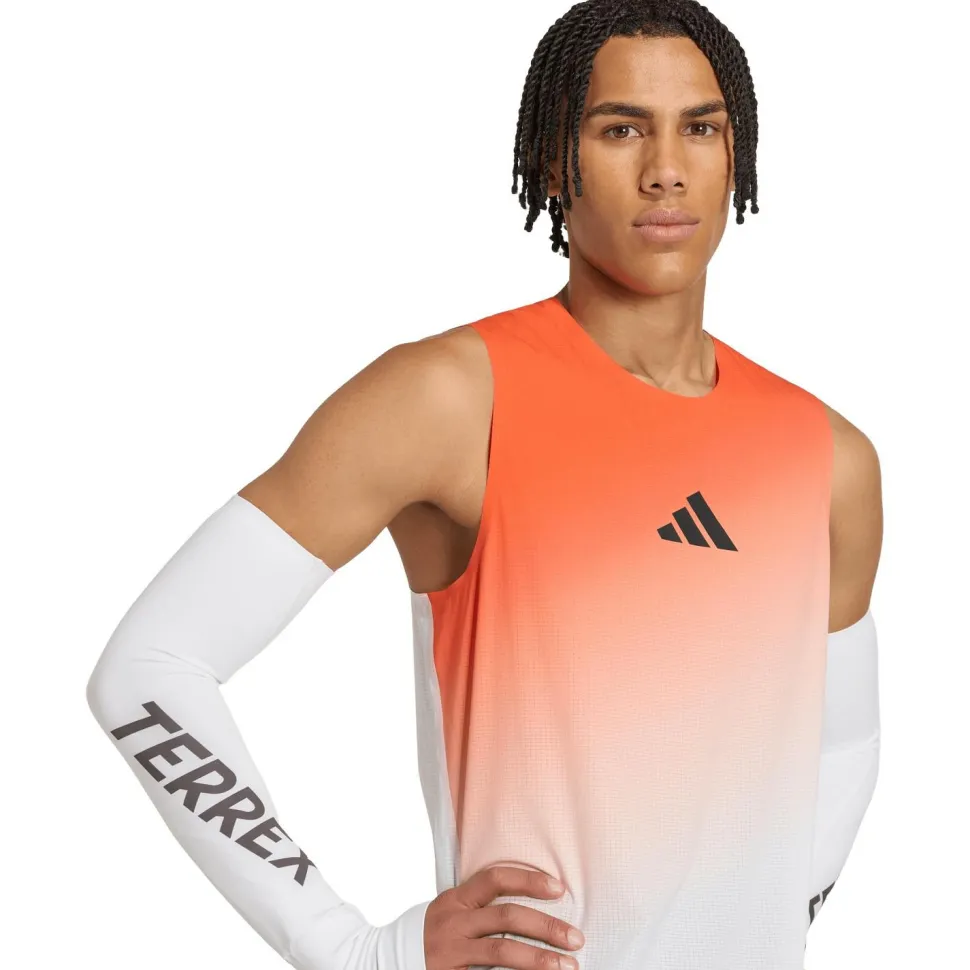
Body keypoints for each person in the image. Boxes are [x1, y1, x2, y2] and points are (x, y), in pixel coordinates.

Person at [85, 2, 882, 969]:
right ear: (551, 161)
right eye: (621, 129)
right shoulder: (448, 399)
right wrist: (354, 951)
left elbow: (844, 744)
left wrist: (769, 919)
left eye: (701, 129)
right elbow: (149, 670)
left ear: (736, 156)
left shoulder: (828, 455)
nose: (667, 169)